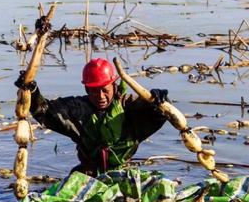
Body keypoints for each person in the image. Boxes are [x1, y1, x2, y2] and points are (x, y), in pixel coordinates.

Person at [15, 58, 169, 176]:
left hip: (123, 173)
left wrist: (159, 100)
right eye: (94, 91)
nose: (100, 96)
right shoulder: (78, 110)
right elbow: (45, 111)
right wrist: (32, 91)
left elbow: (160, 115)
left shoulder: (129, 107)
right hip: (88, 174)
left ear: (114, 86)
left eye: (104, 90)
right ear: (87, 89)